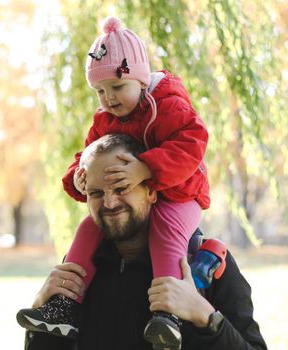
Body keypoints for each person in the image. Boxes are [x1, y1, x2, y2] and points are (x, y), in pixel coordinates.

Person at [17, 16, 210, 348]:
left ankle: (168, 313)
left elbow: (193, 142)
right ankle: (64, 304)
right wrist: (79, 175)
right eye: (100, 91)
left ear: (138, 78)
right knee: (88, 228)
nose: (109, 98)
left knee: (165, 230)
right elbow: (90, 155)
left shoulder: (167, 105)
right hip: (143, 192)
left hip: (181, 191)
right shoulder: (105, 120)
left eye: (117, 87)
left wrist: (146, 168)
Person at [18, 134, 267, 350]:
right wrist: (41, 304)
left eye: (121, 187)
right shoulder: (80, 270)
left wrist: (204, 315)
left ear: (150, 190)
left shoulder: (205, 262)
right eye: (96, 193)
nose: (109, 203)